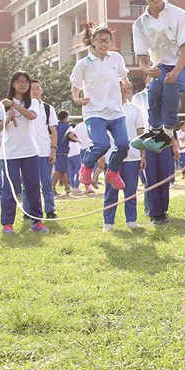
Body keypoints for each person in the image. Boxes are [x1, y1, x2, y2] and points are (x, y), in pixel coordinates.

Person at [130, 0, 185, 153]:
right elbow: (142, 62)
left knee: (172, 84)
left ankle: (167, 133)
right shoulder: (139, 25)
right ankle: (154, 131)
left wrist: (176, 72)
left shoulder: (179, 15)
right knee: (154, 88)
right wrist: (149, 70)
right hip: (162, 67)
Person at [70, 22, 130, 194]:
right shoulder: (83, 64)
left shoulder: (116, 58)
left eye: (107, 40)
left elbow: (122, 75)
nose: (104, 44)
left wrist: (125, 82)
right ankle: (87, 167)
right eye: (100, 40)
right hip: (94, 111)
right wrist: (76, 98)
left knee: (124, 144)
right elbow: (75, 84)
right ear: (93, 42)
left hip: (115, 111)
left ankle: (112, 172)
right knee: (102, 144)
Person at [0, 71, 48, 233]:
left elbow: (31, 116)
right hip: (10, 152)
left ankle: (36, 221)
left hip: (30, 151)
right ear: (13, 84)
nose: (23, 84)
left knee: (32, 186)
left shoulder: (33, 102)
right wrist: (9, 117)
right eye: (19, 81)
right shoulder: (2, 104)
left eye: (26, 82)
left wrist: (14, 105)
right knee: (10, 188)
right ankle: (7, 223)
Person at [103, 78, 147, 231]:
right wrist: (101, 156)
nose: (123, 89)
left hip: (132, 156)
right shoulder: (106, 109)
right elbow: (101, 134)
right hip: (112, 157)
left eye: (126, 86)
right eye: (119, 85)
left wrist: (143, 155)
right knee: (111, 191)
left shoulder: (135, 109)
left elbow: (140, 133)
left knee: (130, 191)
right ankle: (108, 222)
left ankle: (131, 220)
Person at [28, 79, 58, 219]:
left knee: (46, 182)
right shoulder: (24, 107)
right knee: (28, 184)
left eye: (37, 88)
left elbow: (53, 131)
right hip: (28, 151)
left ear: (41, 90)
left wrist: (53, 150)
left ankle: (50, 210)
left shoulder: (48, 108)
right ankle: (28, 213)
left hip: (45, 151)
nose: (34, 91)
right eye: (31, 88)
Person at [51, 111, 77, 196]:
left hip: (54, 149)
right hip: (62, 151)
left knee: (63, 170)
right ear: (66, 118)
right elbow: (72, 137)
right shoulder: (68, 127)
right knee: (58, 170)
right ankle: (52, 188)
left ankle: (67, 187)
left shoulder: (54, 125)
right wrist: (78, 140)